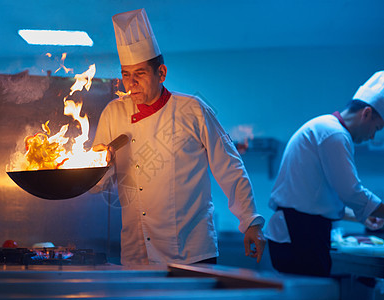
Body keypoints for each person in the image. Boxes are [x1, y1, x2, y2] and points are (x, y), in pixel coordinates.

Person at [92, 8, 265, 266]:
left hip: (192, 253)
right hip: (136, 254)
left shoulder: (192, 109)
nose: (130, 84)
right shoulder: (113, 113)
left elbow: (229, 166)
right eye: (126, 75)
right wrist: (98, 166)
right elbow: (101, 185)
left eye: (139, 74)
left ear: (161, 73)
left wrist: (250, 221)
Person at [265, 71, 384, 277]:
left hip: (297, 233)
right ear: (366, 113)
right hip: (300, 235)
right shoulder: (334, 133)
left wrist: (363, 217)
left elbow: (319, 198)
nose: (373, 136)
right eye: (377, 128)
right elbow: (351, 192)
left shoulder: (326, 128)